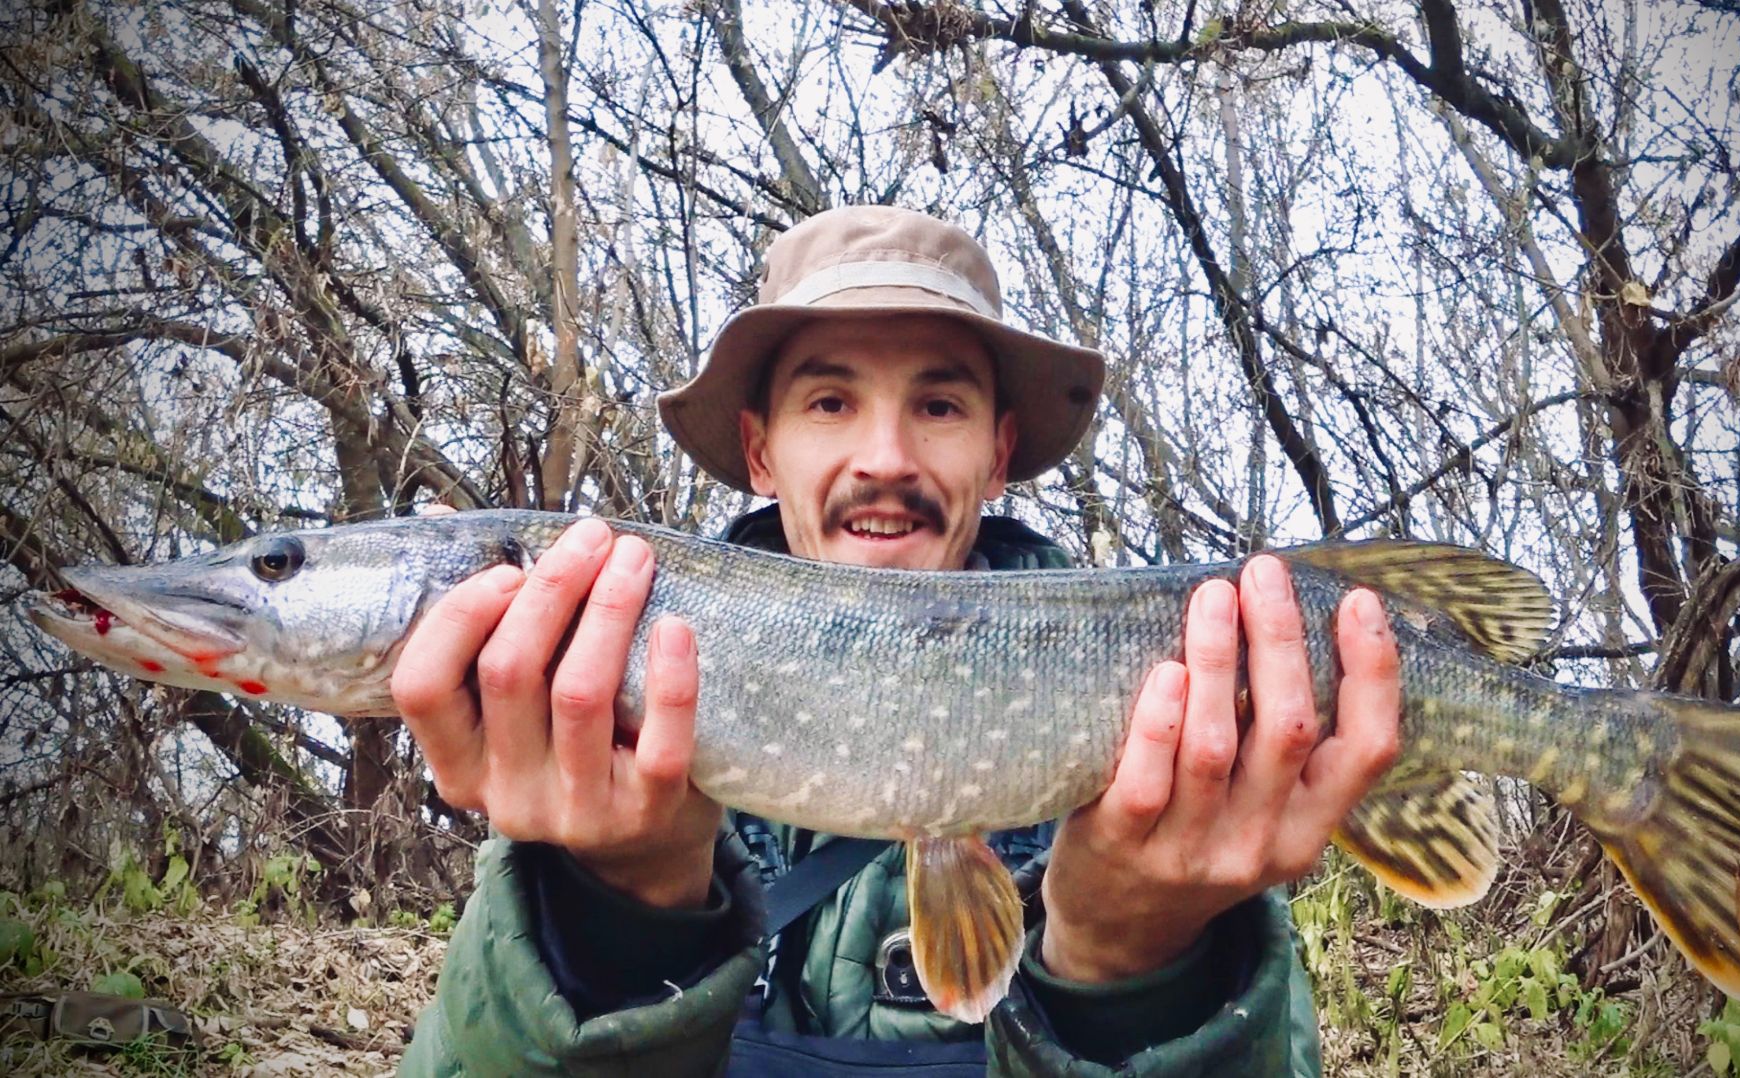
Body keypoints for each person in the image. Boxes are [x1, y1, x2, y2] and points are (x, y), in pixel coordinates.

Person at [393, 205, 1401, 1075]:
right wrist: (611, 912)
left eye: (939, 405)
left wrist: (1131, 963)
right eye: (831, 402)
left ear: (998, 453)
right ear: (760, 449)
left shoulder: (1184, 756)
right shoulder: (591, 729)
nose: (885, 456)